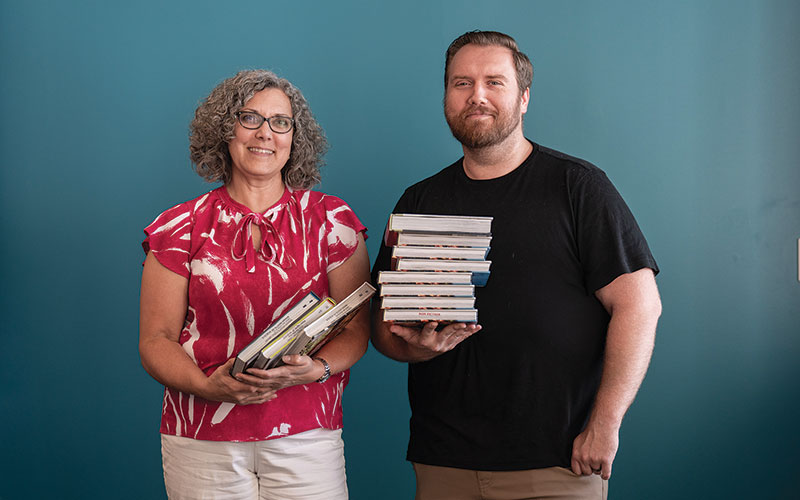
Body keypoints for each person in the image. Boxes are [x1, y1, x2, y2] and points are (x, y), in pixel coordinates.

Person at [371, 31, 662, 499]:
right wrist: (415, 349)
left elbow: (640, 307)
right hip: (443, 460)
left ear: (524, 98)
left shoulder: (579, 187)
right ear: (446, 96)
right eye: (461, 83)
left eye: (494, 82)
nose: (476, 96)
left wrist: (605, 425)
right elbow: (384, 328)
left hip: (558, 461)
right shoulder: (419, 201)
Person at [139, 69, 370, 500]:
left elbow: (356, 329)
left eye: (280, 122)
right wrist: (209, 386)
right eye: (250, 118)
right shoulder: (178, 227)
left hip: (307, 437)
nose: (266, 133)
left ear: (294, 137)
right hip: (200, 439)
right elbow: (155, 340)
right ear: (225, 130)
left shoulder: (332, 222)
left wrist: (314, 371)